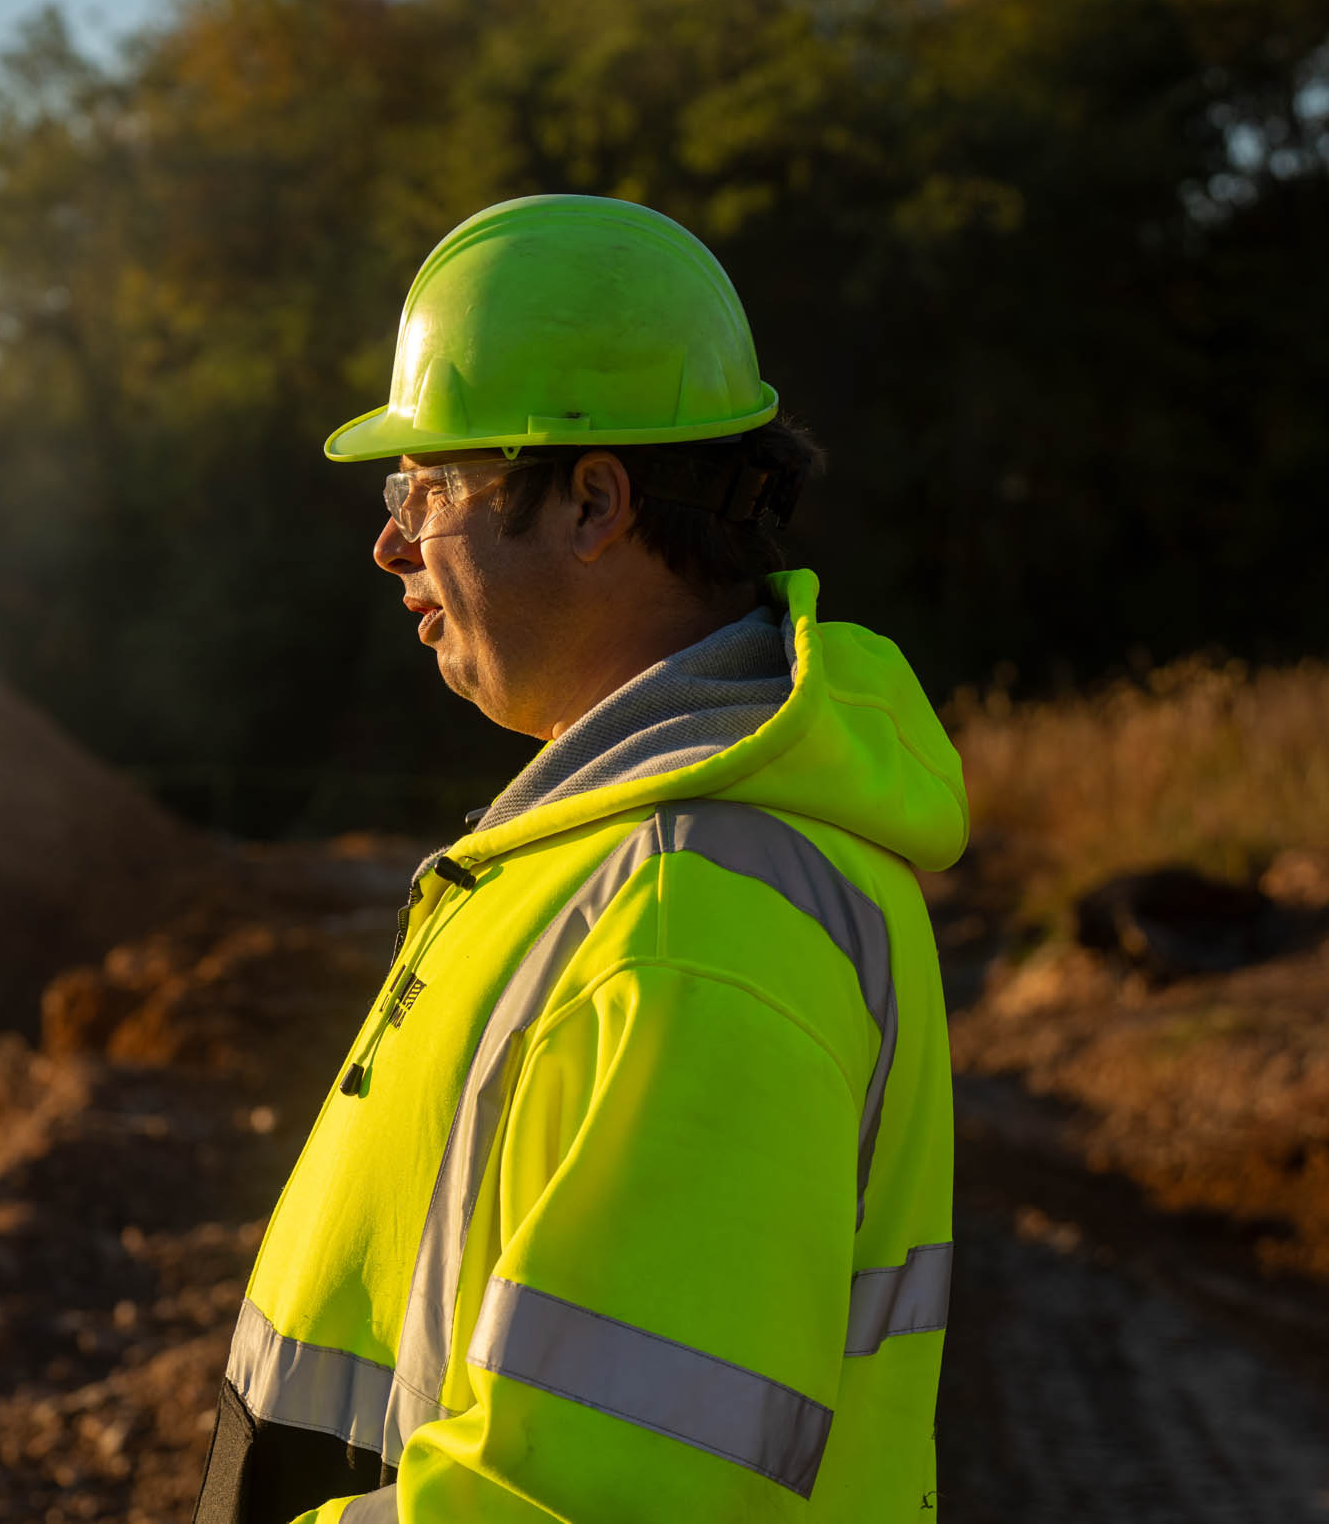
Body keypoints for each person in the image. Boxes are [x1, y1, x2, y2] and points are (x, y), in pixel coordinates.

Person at [192, 194, 967, 1522]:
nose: (389, 541)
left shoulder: (687, 924)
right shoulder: (599, 856)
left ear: (596, 502)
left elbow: (613, 1501)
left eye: (427, 486)